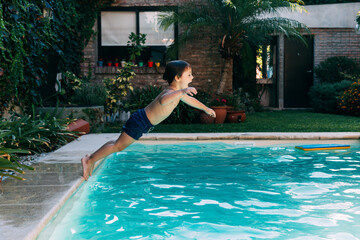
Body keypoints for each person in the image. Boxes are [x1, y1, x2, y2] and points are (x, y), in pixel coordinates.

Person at [81, 60, 216, 180]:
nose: (192, 77)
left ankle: (91, 158)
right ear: (177, 77)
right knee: (118, 146)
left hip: (142, 122)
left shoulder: (176, 93)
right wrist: (182, 92)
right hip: (140, 121)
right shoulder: (170, 92)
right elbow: (163, 101)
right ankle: (89, 160)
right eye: (189, 75)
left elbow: (190, 100)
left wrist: (206, 108)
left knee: (116, 143)